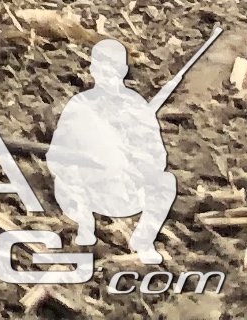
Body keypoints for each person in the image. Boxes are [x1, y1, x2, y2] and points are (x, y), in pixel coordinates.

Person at [49, 41, 177, 264]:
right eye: (102, 68)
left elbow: (157, 156)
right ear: (93, 70)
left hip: (126, 187)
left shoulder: (137, 107)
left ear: (123, 71)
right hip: (88, 187)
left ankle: (143, 241)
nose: (107, 75)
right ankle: (85, 229)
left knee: (166, 182)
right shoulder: (80, 106)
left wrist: (139, 164)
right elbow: (56, 155)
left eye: (113, 69)